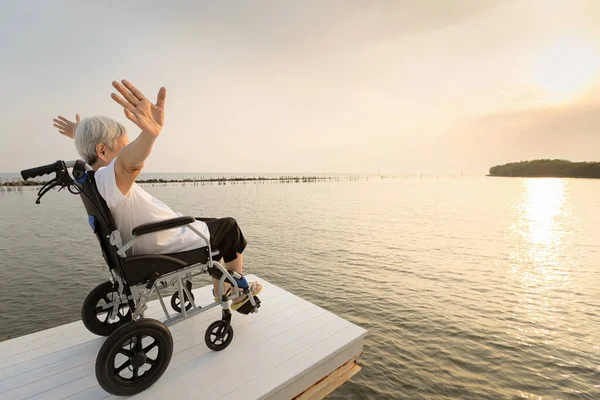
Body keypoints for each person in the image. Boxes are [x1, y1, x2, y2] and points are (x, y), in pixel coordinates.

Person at [52, 80, 261, 311]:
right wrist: (149, 134)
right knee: (229, 228)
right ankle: (238, 294)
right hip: (165, 242)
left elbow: (112, 159)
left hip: (157, 236)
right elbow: (128, 164)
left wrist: (80, 134)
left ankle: (222, 288)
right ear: (102, 151)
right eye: (123, 147)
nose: (127, 151)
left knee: (214, 232)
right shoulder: (111, 178)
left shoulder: (96, 180)